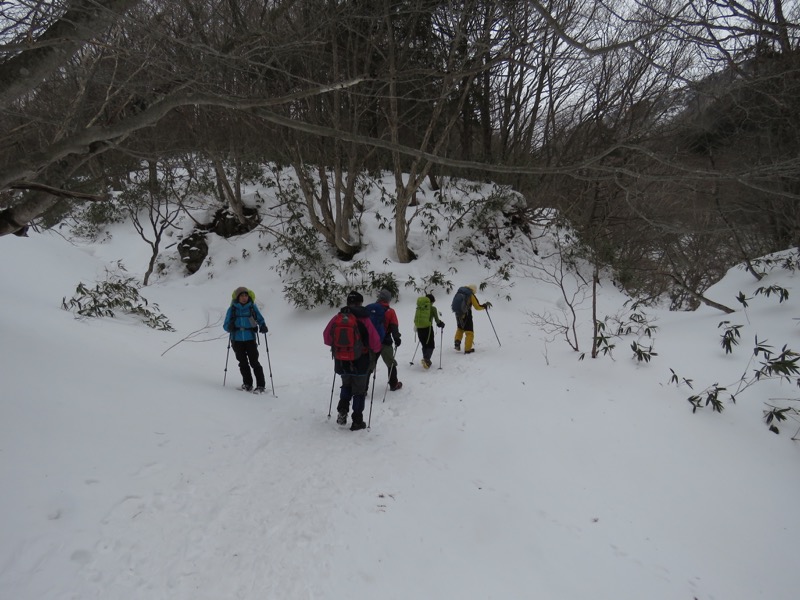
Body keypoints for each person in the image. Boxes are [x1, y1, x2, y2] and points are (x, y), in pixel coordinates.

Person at [323, 291, 382, 430]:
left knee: (346, 386)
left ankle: (342, 411)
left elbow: (326, 338)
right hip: (361, 360)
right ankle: (357, 420)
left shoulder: (338, 317)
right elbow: (375, 343)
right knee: (359, 391)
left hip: (341, 360)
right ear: (361, 302)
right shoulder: (364, 319)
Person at [223, 286, 269, 393]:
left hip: (250, 339)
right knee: (243, 363)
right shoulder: (232, 309)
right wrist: (229, 327)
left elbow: (260, 319)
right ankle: (248, 384)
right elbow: (225, 325)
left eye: (246, 295)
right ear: (237, 297)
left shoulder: (252, 307)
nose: (244, 297)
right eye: (242, 296)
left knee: (254, 362)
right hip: (237, 340)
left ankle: (261, 385)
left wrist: (263, 326)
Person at [366, 288, 403, 390]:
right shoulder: (390, 311)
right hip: (385, 341)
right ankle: (393, 384)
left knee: (370, 364)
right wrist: (397, 338)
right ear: (388, 299)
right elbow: (394, 326)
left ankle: (363, 389)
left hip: (371, 342)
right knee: (390, 362)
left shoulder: (369, 309)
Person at [453, 284, 492, 354]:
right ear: (473, 290)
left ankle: (457, 342)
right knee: (469, 333)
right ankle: (468, 349)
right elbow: (477, 306)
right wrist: (484, 306)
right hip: (466, 315)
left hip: (458, 314)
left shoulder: (460, 292)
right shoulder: (470, 295)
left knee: (460, 329)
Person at [414, 293, 445, 369]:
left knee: (424, 344)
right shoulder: (433, 308)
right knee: (431, 345)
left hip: (419, 328)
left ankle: (426, 359)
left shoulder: (420, 307)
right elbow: (437, 321)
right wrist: (441, 324)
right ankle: (426, 359)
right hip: (428, 328)